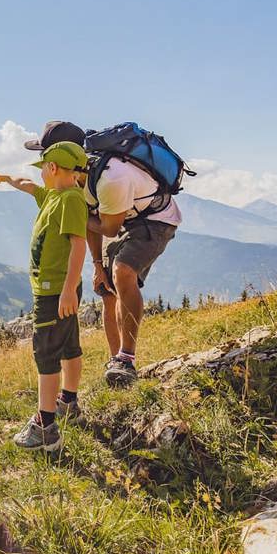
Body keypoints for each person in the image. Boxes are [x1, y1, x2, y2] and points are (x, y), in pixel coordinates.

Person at [0, 141, 88, 451]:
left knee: (46, 353)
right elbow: (28, 185)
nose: (40, 173)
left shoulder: (70, 200)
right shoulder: (53, 195)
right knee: (69, 346)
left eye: (43, 166)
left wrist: (68, 289)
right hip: (60, 290)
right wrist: (7, 179)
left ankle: (45, 425)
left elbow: (78, 245)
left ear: (53, 168)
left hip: (55, 292)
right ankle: (68, 402)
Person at [85, 153, 181, 387]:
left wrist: (76, 217)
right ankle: (115, 362)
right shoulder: (79, 181)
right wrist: (97, 265)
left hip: (156, 220)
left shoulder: (111, 178)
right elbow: (93, 222)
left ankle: (126, 359)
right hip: (122, 218)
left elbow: (106, 228)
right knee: (106, 287)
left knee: (123, 271)